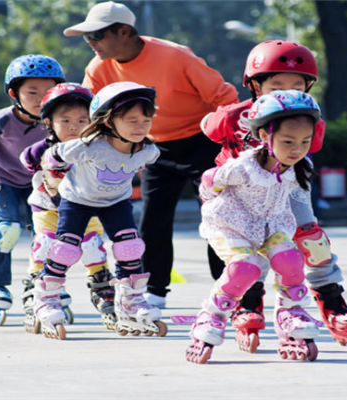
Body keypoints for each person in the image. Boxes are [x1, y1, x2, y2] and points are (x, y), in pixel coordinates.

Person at [202, 40, 347, 353]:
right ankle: (249, 305)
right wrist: (228, 113)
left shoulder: (309, 117)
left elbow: (307, 151)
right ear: (255, 86)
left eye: (297, 85)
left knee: (311, 239)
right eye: (276, 85)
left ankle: (333, 304)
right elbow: (209, 128)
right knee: (250, 251)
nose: (286, 91)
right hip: (241, 194)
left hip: (285, 183)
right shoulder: (239, 115)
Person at [63, 1, 239, 308]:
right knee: (152, 222)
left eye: (96, 36)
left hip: (203, 144)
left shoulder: (176, 56)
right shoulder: (98, 69)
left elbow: (226, 98)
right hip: (152, 148)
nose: (91, 43)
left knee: (217, 219)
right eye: (86, 37)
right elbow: (91, 117)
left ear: (124, 31)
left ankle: (230, 292)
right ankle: (155, 292)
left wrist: (230, 145)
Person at [187, 90, 325, 364]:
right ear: (264, 136)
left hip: (271, 223)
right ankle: (212, 316)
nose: (297, 149)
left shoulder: (300, 166)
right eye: (288, 141)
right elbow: (209, 181)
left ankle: (291, 312)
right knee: (246, 267)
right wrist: (213, 206)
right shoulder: (243, 166)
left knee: (290, 259)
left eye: (305, 141)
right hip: (231, 225)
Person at [35, 82, 167, 340]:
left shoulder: (148, 150)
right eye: (131, 120)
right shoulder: (88, 145)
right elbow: (52, 155)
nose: (140, 127)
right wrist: (54, 178)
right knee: (66, 250)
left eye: (145, 119)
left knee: (131, 247)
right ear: (107, 122)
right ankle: (47, 298)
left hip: (116, 202)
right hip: (77, 201)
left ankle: (131, 301)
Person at [0, 54, 65, 327]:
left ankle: (46, 281)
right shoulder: (1, 120)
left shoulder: (58, 119)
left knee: (46, 233)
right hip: (3, 178)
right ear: (13, 93)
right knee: (7, 229)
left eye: (47, 92)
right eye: (32, 91)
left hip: (40, 179)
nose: (40, 98)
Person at [20, 83, 117, 332]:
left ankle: (103, 291)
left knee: (92, 249)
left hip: (86, 209)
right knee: (45, 247)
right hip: (48, 210)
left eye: (82, 119)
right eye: (65, 120)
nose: (74, 126)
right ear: (49, 122)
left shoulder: (97, 148)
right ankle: (36, 289)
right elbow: (28, 160)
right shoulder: (41, 150)